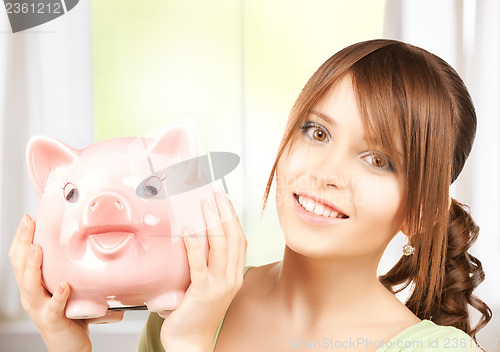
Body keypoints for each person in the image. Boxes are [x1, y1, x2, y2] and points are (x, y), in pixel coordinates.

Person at [10, 39, 491, 352]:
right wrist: (66, 343)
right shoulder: (194, 301)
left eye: (377, 159)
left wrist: (195, 345)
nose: (325, 172)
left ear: (421, 212)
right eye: (316, 132)